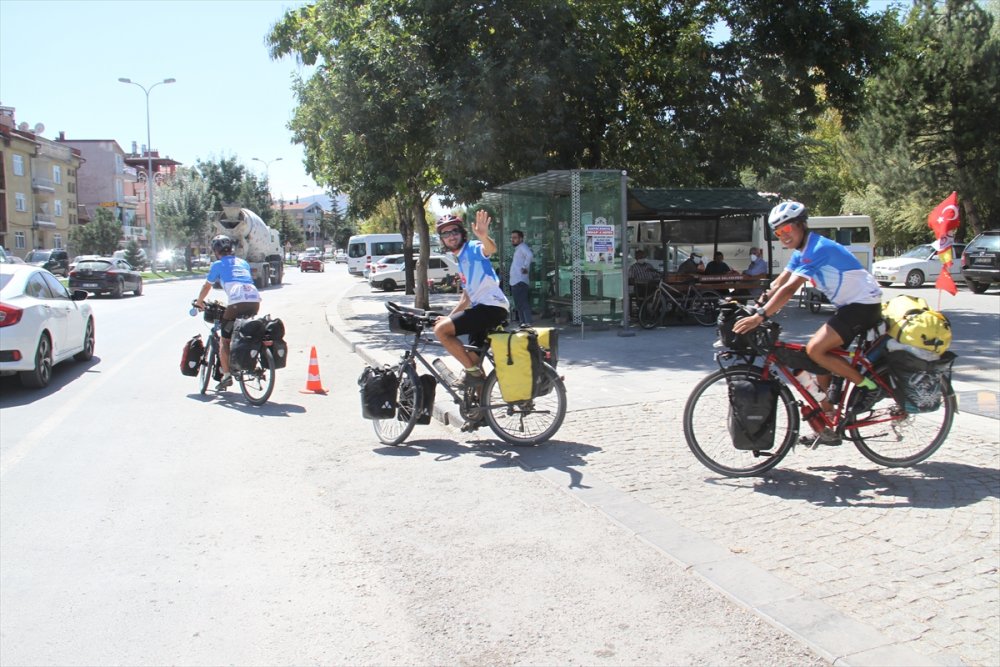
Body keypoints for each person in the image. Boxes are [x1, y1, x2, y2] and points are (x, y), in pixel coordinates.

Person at [732, 201, 882, 443]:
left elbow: (791, 288)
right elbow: (781, 281)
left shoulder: (818, 248)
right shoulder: (802, 251)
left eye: (787, 229)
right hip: (849, 306)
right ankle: (828, 425)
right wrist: (759, 302)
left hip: (863, 306)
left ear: (801, 225)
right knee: (819, 365)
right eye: (778, 232)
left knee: (815, 349)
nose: (783, 236)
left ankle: (869, 388)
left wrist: (761, 317)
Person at [433, 211, 509, 389]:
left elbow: (489, 249)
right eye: (446, 233)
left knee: (441, 332)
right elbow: (466, 297)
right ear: (442, 239)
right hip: (481, 310)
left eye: (454, 231)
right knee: (472, 359)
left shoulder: (472, 248)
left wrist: (484, 237)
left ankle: (473, 374)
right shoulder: (460, 260)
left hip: (491, 307)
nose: (451, 236)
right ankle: (480, 411)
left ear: (462, 233)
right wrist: (449, 317)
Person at [195, 234, 261, 390]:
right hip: (255, 300)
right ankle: (252, 360)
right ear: (231, 249)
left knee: (225, 341)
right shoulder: (243, 263)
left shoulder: (217, 265)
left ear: (216, 251)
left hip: (237, 302)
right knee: (245, 331)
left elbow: (207, 286)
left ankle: (226, 375)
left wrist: (199, 302)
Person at [509, 229, 533, 325]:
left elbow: (530, 255)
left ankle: (528, 323)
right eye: (512, 238)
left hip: (520, 281)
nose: (512, 240)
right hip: (515, 280)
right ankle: (523, 322)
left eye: (515, 238)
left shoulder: (523, 247)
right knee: (519, 304)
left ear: (521, 239)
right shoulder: (519, 248)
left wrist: (525, 267)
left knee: (523, 303)